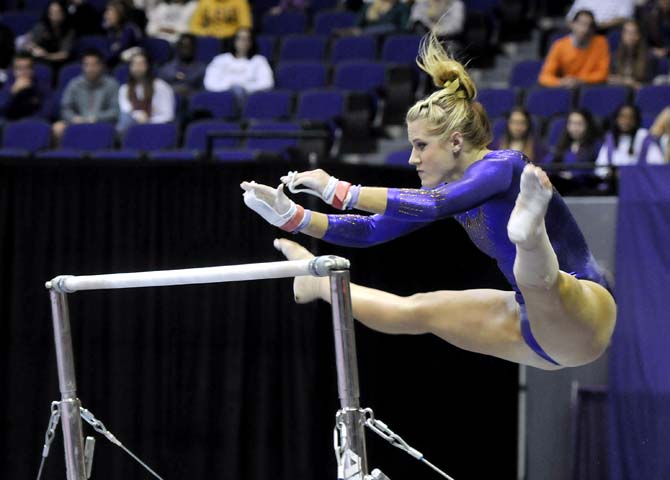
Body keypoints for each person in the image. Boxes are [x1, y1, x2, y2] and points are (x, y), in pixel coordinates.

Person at [240, 32, 617, 370]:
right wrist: (294, 216)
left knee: (539, 280)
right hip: (533, 331)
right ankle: (318, 284)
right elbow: (371, 230)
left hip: (583, 312)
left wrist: (335, 189)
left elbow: (432, 205)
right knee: (415, 310)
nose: (412, 158)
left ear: (455, 141)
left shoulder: (504, 167)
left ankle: (529, 232)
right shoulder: (444, 195)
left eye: (421, 146)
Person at [53, 49, 119, 143]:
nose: (90, 69)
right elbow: (65, 108)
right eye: (86, 65)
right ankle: (62, 156)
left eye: (94, 65)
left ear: (101, 66)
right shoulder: (74, 84)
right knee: (57, 128)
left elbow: (115, 111)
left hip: (102, 123)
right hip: (78, 121)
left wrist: (96, 118)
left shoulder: (112, 85)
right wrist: (74, 118)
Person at [538, 9, 610, 88]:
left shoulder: (601, 43)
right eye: (581, 24)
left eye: (589, 25)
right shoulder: (559, 45)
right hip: (566, 88)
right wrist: (561, 82)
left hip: (589, 87)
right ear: (572, 24)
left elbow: (603, 73)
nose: (585, 29)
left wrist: (579, 80)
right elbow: (544, 77)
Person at [203, 27, 273, 104]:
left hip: (249, 99)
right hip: (222, 98)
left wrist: (243, 88)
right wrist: (230, 87)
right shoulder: (220, 59)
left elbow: (267, 83)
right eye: (240, 38)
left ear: (251, 42)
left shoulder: (259, 60)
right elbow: (209, 83)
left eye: (247, 39)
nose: (243, 42)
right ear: (234, 41)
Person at [595, 103, 665, 177]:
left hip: (637, 183)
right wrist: (609, 173)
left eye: (631, 117)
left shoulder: (644, 137)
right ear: (616, 119)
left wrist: (629, 174)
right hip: (613, 184)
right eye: (622, 116)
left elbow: (658, 165)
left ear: (636, 120)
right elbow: (599, 167)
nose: (626, 121)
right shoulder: (610, 138)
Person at [117, 50, 175, 133]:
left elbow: (168, 116)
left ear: (148, 66)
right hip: (132, 129)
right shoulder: (124, 89)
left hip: (156, 128)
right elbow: (126, 112)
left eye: (141, 64)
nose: (137, 68)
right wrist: (138, 116)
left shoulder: (161, 87)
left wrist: (148, 120)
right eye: (134, 64)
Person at [544, 108, 601, 189]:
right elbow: (548, 165)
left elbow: (596, 172)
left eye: (579, 124)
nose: (575, 128)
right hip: (562, 188)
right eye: (571, 123)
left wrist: (573, 176)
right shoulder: (562, 145)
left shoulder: (596, 146)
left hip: (584, 190)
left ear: (588, 125)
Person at [23, 0, 76, 68]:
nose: (54, 15)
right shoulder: (42, 26)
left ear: (64, 13)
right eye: (51, 12)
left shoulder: (69, 30)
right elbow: (28, 43)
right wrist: (34, 48)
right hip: (41, 61)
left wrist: (47, 55)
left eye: (57, 12)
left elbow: (64, 54)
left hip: (61, 63)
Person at [0, 53, 48, 121]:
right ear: (13, 71)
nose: (23, 72)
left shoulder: (40, 85)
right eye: (19, 69)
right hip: (10, 122)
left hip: (33, 123)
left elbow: (47, 111)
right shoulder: (7, 85)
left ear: (33, 70)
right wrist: (12, 92)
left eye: (27, 68)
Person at [608, 19, 653, 90]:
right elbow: (610, 79)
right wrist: (621, 81)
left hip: (637, 96)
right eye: (627, 32)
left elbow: (649, 87)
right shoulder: (615, 56)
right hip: (618, 93)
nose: (630, 36)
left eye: (633, 33)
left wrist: (632, 83)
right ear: (622, 35)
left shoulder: (648, 58)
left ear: (639, 35)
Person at [158, 33, 205, 97]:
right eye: (183, 46)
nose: (185, 50)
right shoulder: (167, 68)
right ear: (178, 47)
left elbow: (203, 91)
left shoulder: (201, 68)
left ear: (194, 48)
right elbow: (160, 88)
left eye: (189, 46)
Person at [103, 0, 143, 67]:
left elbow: (120, 48)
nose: (107, 16)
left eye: (110, 13)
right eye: (107, 13)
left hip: (133, 61)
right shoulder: (111, 30)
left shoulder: (129, 28)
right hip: (116, 60)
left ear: (119, 15)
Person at [565, 0, 635, 32]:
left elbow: (624, 17)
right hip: (580, 29)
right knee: (558, 38)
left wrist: (596, 26)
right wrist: (579, 28)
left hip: (608, 31)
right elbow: (569, 18)